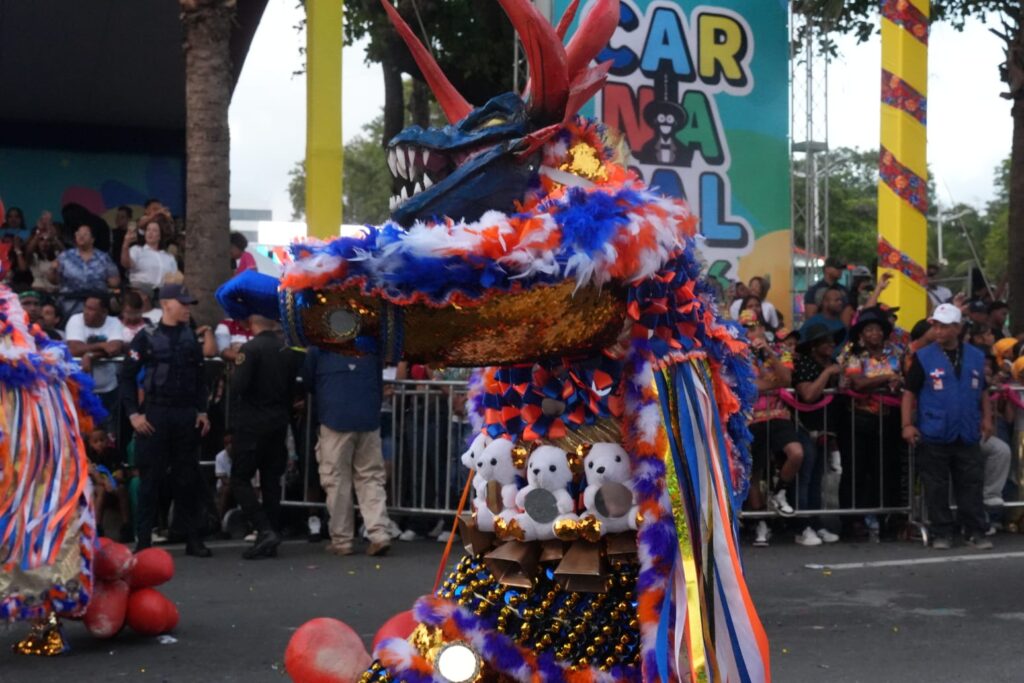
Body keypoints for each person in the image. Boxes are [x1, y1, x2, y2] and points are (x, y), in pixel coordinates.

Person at [120, 283, 212, 557]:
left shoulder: (189, 337)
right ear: (167, 304)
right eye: (182, 303)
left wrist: (202, 411)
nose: (187, 308)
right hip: (156, 414)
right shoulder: (146, 337)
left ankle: (193, 538)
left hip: (185, 416)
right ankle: (144, 541)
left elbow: (199, 379)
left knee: (188, 478)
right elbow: (126, 376)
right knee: (150, 480)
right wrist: (133, 415)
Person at [217, 270, 302, 559]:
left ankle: (264, 529)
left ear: (253, 322)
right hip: (277, 422)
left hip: (251, 425)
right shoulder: (288, 351)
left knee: (240, 479)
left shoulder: (250, 350)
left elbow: (239, 387)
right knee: (270, 481)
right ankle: (272, 532)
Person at [902, 303, 993, 550]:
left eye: (944, 327)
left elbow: (983, 391)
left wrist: (987, 419)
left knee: (971, 483)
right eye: (936, 326)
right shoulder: (923, 356)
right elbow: (909, 392)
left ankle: (974, 530)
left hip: (967, 431)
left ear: (957, 327)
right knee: (936, 486)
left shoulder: (975, 355)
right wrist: (907, 424)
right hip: (935, 430)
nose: (939, 332)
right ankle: (941, 532)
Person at [304, 344, 393, 557]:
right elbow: (378, 383)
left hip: (334, 418)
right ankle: (378, 533)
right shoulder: (371, 348)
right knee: (371, 477)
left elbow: (309, 381)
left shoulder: (320, 349)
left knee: (336, 480)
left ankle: (342, 540)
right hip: (368, 418)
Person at [838, 307, 905, 538]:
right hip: (858, 419)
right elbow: (857, 383)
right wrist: (887, 378)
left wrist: (893, 383)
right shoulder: (853, 353)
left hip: (888, 419)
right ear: (862, 333)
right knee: (856, 470)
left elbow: (902, 378)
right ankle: (852, 521)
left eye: (878, 329)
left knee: (886, 470)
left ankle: (887, 519)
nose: (874, 333)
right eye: (869, 329)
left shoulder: (895, 352)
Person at [742, 310, 803, 546]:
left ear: (762, 329)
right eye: (746, 328)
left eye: (754, 327)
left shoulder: (779, 352)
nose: (751, 332)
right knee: (754, 473)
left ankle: (779, 492)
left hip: (778, 416)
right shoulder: (738, 355)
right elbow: (749, 386)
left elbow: (787, 380)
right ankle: (760, 525)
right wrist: (770, 384)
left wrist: (767, 352)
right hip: (751, 419)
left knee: (796, 453)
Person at [792, 323, 844, 545]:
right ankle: (801, 526)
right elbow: (809, 395)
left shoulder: (833, 363)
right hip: (805, 428)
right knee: (804, 479)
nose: (831, 345)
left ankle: (817, 522)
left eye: (832, 341)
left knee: (818, 481)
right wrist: (827, 374)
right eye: (825, 341)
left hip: (828, 428)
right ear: (813, 346)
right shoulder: (804, 364)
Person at [65, 294, 125, 432]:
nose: (86, 312)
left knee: (108, 433)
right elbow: (74, 349)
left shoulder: (114, 322)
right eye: (86, 307)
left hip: (108, 389)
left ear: (104, 312)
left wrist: (90, 355)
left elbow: (114, 348)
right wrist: (102, 345)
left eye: (92, 309)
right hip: (81, 389)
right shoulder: (75, 319)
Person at [52, 224, 120, 318]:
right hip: (69, 303)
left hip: (97, 302)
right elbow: (54, 280)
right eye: (79, 234)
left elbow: (114, 282)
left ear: (92, 239)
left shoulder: (103, 258)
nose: (81, 236)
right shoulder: (65, 256)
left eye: (85, 234)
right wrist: (53, 270)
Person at [120, 214, 178, 290]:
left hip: (162, 294)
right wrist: (126, 243)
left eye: (154, 230)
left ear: (160, 236)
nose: (150, 233)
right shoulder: (137, 250)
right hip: (140, 291)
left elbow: (174, 278)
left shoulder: (169, 257)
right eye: (148, 230)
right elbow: (126, 264)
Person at [23, 214, 62, 295]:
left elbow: (65, 253)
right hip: (38, 291)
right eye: (41, 240)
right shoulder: (34, 256)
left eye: (48, 240)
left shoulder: (57, 255)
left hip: (55, 292)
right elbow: (29, 251)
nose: (45, 243)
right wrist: (38, 232)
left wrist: (54, 237)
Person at [803, 285, 848, 349]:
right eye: (836, 300)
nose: (840, 303)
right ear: (825, 302)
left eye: (841, 300)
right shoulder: (812, 323)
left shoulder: (842, 326)